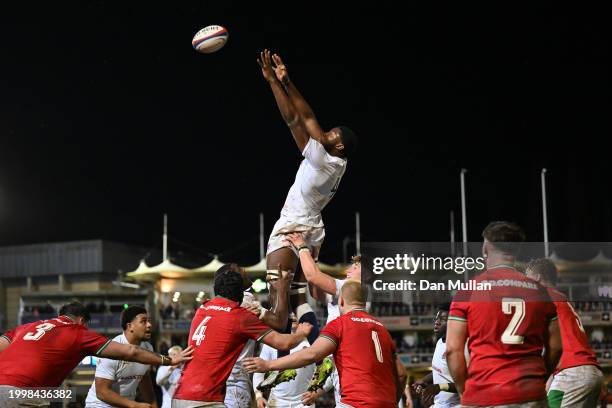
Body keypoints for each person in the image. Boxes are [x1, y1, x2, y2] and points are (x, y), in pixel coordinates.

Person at [256, 48, 357, 337]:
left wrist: (272, 83)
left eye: (332, 134)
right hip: (312, 230)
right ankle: (309, 343)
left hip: (294, 226)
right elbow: (309, 116)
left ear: (337, 146)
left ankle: (253, 310)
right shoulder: (337, 159)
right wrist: (287, 81)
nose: (325, 133)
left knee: (278, 310)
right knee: (299, 300)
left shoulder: (322, 160)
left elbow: (294, 120)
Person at [446, 221, 562, 407]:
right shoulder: (540, 291)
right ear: (516, 251)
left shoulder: (469, 290)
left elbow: (453, 350)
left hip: (484, 393)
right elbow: (556, 347)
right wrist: (538, 379)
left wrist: (463, 391)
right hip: (530, 394)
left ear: (485, 249)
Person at [0, 302, 192, 408]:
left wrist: (150, 403)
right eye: (144, 321)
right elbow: (130, 354)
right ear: (82, 321)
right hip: (26, 393)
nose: (149, 325)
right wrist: (170, 360)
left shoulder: (25, 327)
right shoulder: (77, 332)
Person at [243, 281, 404, 408]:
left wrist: (268, 364)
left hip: (356, 403)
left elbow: (312, 354)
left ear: (341, 301)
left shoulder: (340, 324)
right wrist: (393, 401)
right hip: (387, 403)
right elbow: (402, 374)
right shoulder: (383, 330)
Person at [172, 264, 313, 408]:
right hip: (226, 389)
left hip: (182, 393)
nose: (244, 270)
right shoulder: (243, 307)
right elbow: (281, 330)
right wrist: (283, 291)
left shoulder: (203, 307)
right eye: (240, 270)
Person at [526, 258, 602, 407]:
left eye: (527, 278)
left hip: (572, 374)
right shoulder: (560, 299)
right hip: (588, 371)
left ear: (537, 278)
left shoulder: (543, 297)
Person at [85, 305, 157, 408]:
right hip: (99, 405)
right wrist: (134, 405)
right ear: (129, 326)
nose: (149, 325)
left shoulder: (148, 348)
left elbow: (144, 377)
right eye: (143, 321)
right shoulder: (112, 350)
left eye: (148, 321)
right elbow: (102, 392)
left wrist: (153, 404)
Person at [253, 313, 317, 408]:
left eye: (294, 311)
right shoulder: (272, 342)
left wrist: (317, 392)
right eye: (288, 312)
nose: (292, 314)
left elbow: (327, 369)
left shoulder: (312, 342)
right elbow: (259, 372)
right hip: (276, 402)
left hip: (304, 402)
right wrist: (259, 396)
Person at [412, 304, 466, 408]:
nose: (437, 322)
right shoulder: (439, 343)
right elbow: (442, 372)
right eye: (436, 318)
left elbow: (466, 384)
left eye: (443, 319)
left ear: (453, 322)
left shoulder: (461, 346)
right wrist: (424, 380)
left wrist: (440, 387)